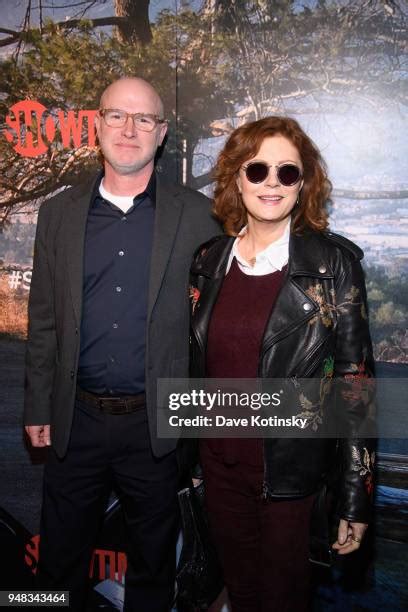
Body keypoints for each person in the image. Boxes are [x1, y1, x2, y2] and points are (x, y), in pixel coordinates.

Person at [24, 76, 219, 611]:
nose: (129, 129)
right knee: (56, 570)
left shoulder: (201, 217)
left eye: (144, 119)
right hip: (75, 421)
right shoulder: (58, 213)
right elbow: (44, 319)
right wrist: (38, 404)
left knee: (154, 572)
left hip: (156, 429)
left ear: (162, 132)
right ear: (98, 124)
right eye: (117, 115)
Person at [186, 117, 375, 611]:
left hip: (291, 479)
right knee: (241, 593)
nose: (271, 183)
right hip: (219, 470)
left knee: (282, 601)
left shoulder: (333, 267)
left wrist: (355, 497)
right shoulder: (208, 261)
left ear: (303, 183)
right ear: (236, 179)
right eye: (257, 170)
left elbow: (356, 383)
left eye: (287, 172)